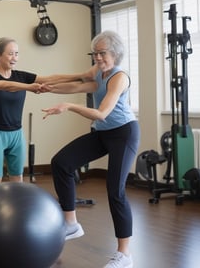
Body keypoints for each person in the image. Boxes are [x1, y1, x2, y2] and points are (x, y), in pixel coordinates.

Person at [42, 30, 140, 268]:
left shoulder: (119, 77)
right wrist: (43, 85)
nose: (97, 57)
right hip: (103, 132)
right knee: (61, 162)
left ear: (115, 53)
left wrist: (68, 106)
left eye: (102, 53)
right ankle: (71, 223)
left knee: (115, 190)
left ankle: (124, 254)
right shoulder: (98, 72)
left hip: (124, 134)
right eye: (95, 53)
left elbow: (101, 113)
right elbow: (74, 83)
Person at [0, 37, 75, 186]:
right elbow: (6, 86)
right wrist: (29, 87)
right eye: (11, 54)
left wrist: (80, 77)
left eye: (17, 54)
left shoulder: (21, 76)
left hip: (17, 134)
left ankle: (16, 208)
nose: (15, 58)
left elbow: (49, 79)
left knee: (17, 177)